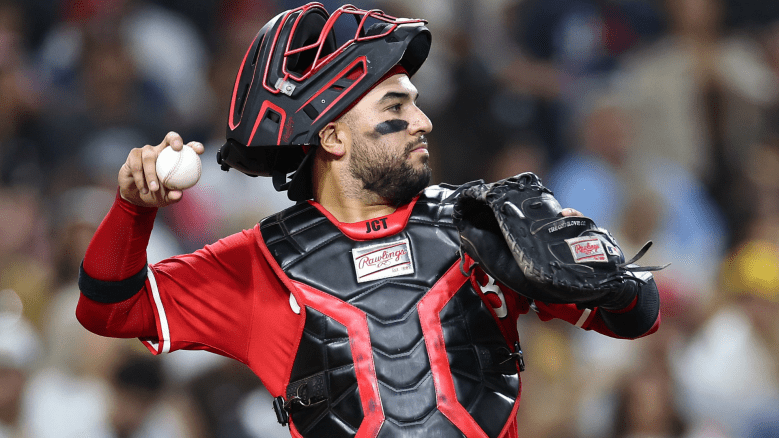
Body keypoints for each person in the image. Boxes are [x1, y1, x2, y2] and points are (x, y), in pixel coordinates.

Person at [75, 4, 661, 437]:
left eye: (417, 102)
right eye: (396, 107)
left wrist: (605, 273)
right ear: (331, 136)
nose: (424, 121)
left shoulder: (481, 224)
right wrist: (134, 210)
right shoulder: (259, 264)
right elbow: (108, 308)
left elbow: (637, 317)